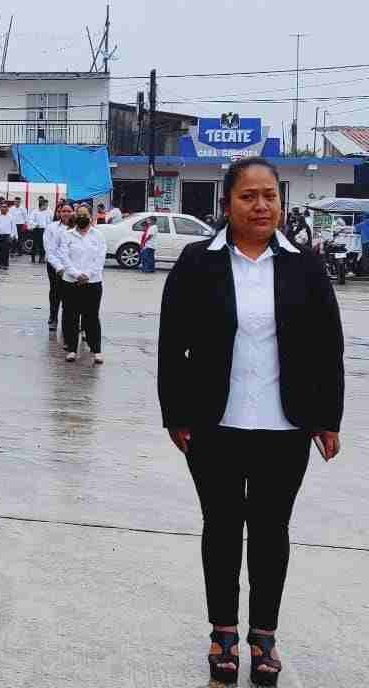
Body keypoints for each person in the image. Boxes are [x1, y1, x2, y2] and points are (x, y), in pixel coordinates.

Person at [158, 157, 344, 687]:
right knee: (220, 528)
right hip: (214, 425)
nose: (261, 206)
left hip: (287, 426)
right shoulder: (198, 263)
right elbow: (173, 345)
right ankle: (223, 634)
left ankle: (265, 635)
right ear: (227, 204)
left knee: (270, 531)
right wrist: (176, 414)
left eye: (270, 196)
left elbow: (329, 345)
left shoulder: (304, 265)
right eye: (249, 197)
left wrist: (327, 418)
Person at [61, 203, 106, 364]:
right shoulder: (68, 235)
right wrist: (76, 274)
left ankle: (96, 350)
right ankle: (72, 349)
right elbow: (64, 257)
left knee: (91, 317)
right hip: (71, 282)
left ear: (90, 217)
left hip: (92, 282)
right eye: (79, 214)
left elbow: (100, 258)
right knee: (71, 316)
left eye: (85, 215)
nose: (82, 217)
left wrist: (87, 275)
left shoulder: (98, 235)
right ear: (75, 216)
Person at [43, 202, 74, 330]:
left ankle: (69, 321)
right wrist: (59, 267)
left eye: (68, 211)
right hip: (54, 265)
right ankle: (53, 317)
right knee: (55, 292)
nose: (66, 213)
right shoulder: (51, 228)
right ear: (59, 213)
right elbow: (49, 249)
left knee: (70, 294)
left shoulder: (77, 227)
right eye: (63, 211)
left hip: (72, 267)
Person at [0, 200, 16, 269]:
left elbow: (13, 227)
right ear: (0, 207)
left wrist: (13, 236)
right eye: (2, 207)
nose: (4, 208)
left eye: (5, 207)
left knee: (5, 251)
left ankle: (5, 264)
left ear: (7, 208)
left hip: (7, 236)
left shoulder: (11, 217)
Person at [28, 197, 52, 264]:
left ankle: (41, 258)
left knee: (43, 245)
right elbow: (30, 220)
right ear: (41, 205)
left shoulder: (47, 212)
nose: (46, 207)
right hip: (37, 230)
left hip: (44, 230)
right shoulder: (35, 211)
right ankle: (33, 258)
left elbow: (49, 221)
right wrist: (36, 224)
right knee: (35, 244)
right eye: (45, 205)